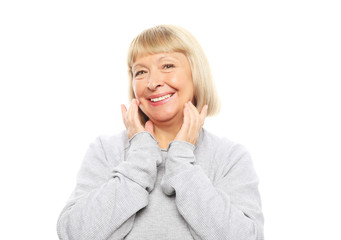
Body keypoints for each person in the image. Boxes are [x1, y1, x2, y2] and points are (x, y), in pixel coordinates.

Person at [57, 25, 264, 240]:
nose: (152, 82)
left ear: (196, 74)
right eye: (141, 72)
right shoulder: (107, 150)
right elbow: (74, 233)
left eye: (167, 65)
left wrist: (182, 162)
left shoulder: (229, 157)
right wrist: (141, 158)